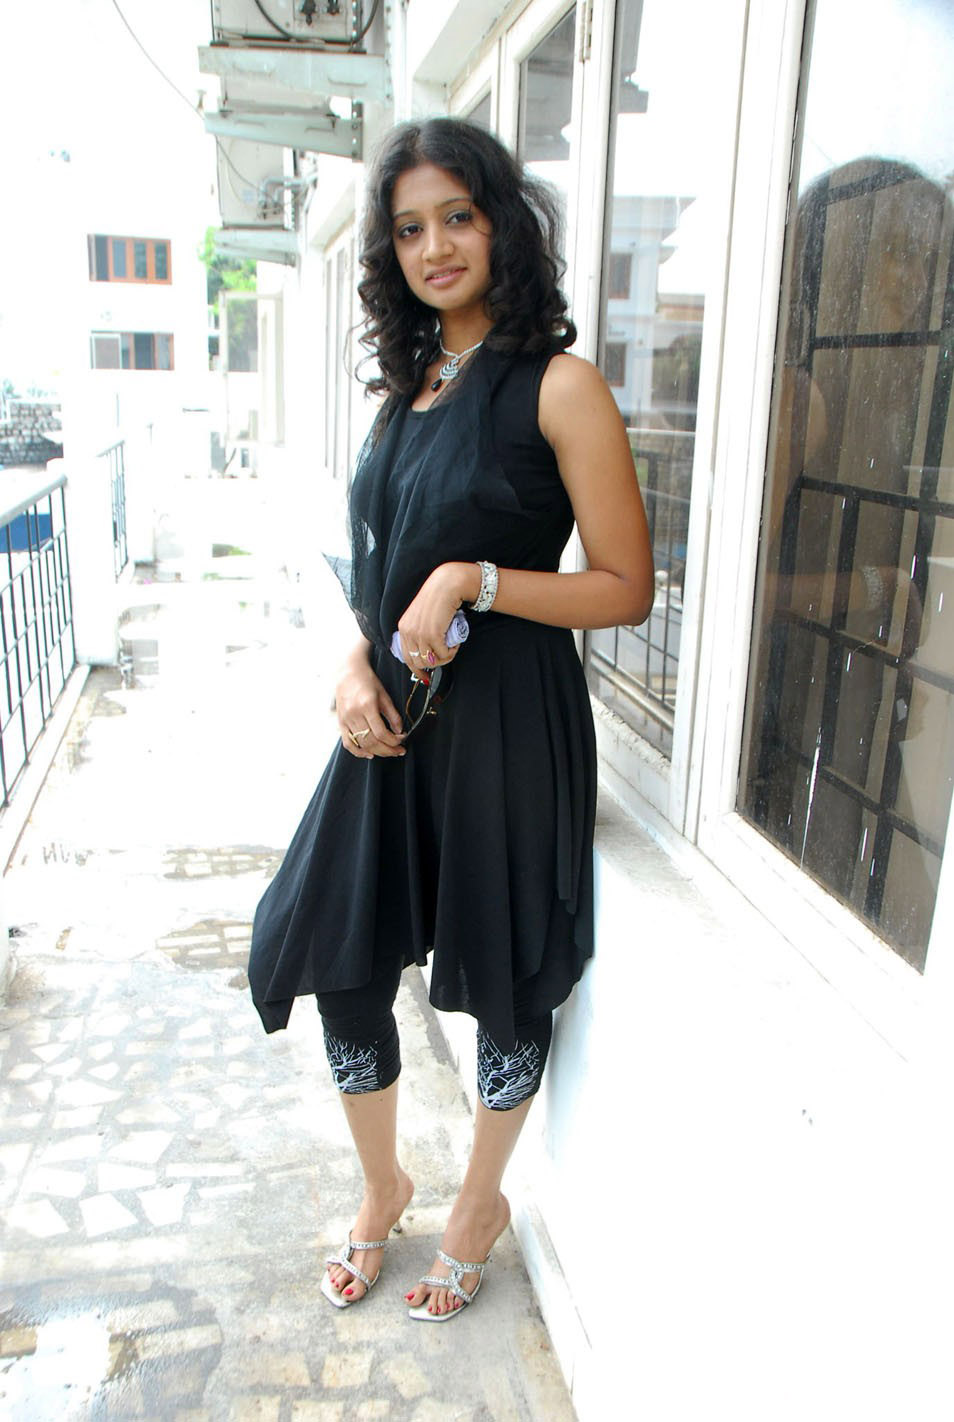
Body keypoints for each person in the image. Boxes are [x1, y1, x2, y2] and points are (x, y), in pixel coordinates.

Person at [249, 117, 653, 1321]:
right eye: (410, 228)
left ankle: (479, 1206)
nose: (435, 247)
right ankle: (384, 1185)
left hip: (509, 726)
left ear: (502, 225)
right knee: (338, 950)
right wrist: (349, 664)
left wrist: (478, 579)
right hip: (394, 721)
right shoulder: (409, 392)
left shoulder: (560, 387)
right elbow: (378, 575)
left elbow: (625, 588)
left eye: (458, 218)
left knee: (502, 971)